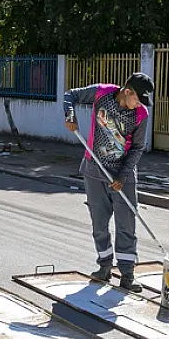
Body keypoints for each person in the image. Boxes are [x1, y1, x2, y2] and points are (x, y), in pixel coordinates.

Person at [63, 72, 155, 292]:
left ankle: (127, 275)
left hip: (123, 174)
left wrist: (123, 175)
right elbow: (70, 95)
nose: (139, 105)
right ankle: (104, 266)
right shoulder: (102, 93)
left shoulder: (141, 115)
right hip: (94, 170)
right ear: (127, 91)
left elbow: (138, 148)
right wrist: (70, 115)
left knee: (126, 224)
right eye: (137, 99)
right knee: (99, 222)